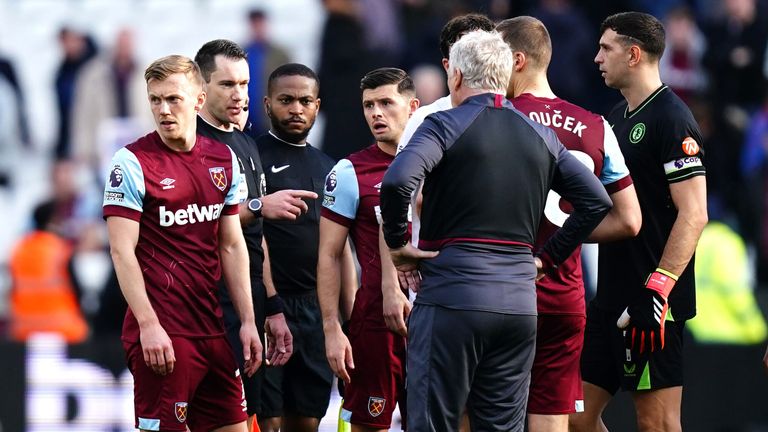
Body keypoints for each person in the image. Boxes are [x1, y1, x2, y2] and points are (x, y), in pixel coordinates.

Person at [379, 30, 612, 432]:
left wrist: (399, 245)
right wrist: (547, 257)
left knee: (432, 423)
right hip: (520, 305)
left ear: (455, 78)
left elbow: (398, 183)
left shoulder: (442, 125)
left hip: (452, 296)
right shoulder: (540, 134)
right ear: (504, 77)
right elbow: (597, 201)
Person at [496, 16, 642, 432]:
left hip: (499, 289)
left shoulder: (491, 119)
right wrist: (564, 236)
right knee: (550, 417)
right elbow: (629, 220)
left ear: (517, 60)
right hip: (563, 295)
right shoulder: (596, 126)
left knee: (482, 411)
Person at [103, 54, 260, 432]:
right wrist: (148, 325)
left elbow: (232, 245)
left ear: (199, 100)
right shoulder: (132, 162)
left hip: (212, 329)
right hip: (164, 333)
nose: (163, 109)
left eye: (173, 98)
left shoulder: (223, 159)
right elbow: (121, 251)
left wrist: (249, 321)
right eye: (155, 100)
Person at [569, 12, 708, 432]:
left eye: (606, 48)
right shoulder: (614, 118)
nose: (597, 58)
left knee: (657, 424)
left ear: (633, 54)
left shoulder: (672, 118)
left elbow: (695, 212)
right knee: (574, 420)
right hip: (610, 297)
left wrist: (659, 288)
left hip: (651, 303)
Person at [193, 39, 318, 432]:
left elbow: (254, 237)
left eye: (244, 84)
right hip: (210, 303)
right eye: (227, 84)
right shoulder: (193, 144)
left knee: (257, 417)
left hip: (249, 301)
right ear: (201, 87)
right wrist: (262, 205)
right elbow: (201, 222)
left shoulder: (245, 142)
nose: (238, 95)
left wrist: (272, 305)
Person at [318, 67, 419, 432]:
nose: (376, 113)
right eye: (368, 105)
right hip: (376, 321)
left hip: (437, 312)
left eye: (386, 103)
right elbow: (329, 253)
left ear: (413, 106)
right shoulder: (348, 171)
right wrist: (333, 328)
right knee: (367, 423)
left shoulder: (442, 162)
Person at [256, 63, 354, 432]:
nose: (296, 109)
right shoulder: (252, 159)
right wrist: (270, 304)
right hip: (269, 309)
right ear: (267, 104)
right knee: (268, 420)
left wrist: (349, 320)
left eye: (304, 101)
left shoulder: (331, 167)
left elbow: (341, 250)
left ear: (317, 106)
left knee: (308, 422)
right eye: (286, 100)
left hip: (316, 310)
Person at [8, 199, 89, 343]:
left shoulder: (19, 250)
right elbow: (78, 291)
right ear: (53, 220)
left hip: (25, 333)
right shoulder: (60, 250)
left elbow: (12, 291)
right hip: (64, 332)